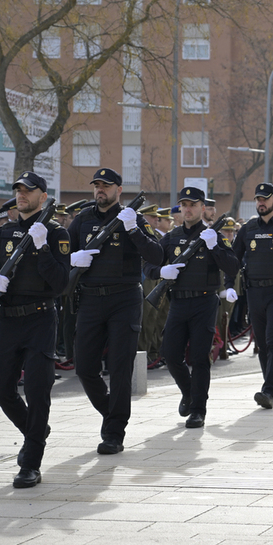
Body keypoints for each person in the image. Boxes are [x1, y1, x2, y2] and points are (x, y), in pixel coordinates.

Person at [0, 172, 70, 487]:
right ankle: (35, 430)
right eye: (18, 190)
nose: (21, 195)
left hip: (41, 319)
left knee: (37, 390)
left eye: (28, 190)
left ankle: (31, 463)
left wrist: (42, 248)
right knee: (1, 387)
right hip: (10, 320)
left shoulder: (55, 234)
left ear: (43, 196)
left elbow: (61, 284)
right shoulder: (3, 234)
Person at [68, 168, 164, 454]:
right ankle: (111, 412)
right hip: (90, 299)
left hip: (124, 300)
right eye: (96, 185)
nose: (100, 190)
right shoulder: (81, 220)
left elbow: (157, 256)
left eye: (106, 186)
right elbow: (63, 256)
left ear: (118, 190)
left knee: (120, 369)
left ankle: (114, 432)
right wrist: (73, 257)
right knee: (84, 368)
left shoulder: (133, 219)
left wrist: (133, 230)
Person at [145, 186, 239, 429]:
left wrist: (214, 247)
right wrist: (161, 272)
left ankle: (198, 410)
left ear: (202, 208)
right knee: (170, 353)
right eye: (184, 205)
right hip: (178, 301)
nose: (188, 209)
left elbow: (232, 267)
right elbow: (149, 265)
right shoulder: (172, 237)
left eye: (193, 205)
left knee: (199, 358)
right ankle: (188, 393)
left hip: (204, 302)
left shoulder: (213, 235)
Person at [229, 182, 273, 409]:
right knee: (261, 344)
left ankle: (268, 390)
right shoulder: (247, 229)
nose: (261, 203)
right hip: (254, 292)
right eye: (258, 199)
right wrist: (228, 284)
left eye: (265, 199)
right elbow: (233, 260)